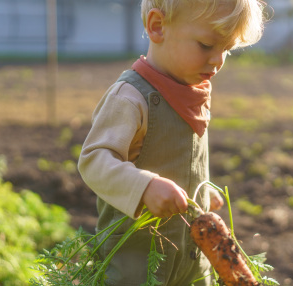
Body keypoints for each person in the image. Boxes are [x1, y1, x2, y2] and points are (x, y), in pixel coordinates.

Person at [78, 0, 266, 284]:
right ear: (157, 27)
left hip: (194, 257)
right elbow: (93, 160)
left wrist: (201, 195)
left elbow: (184, 156)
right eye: (206, 45)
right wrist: (144, 187)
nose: (217, 60)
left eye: (226, 50)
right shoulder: (129, 98)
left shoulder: (192, 91)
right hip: (138, 261)